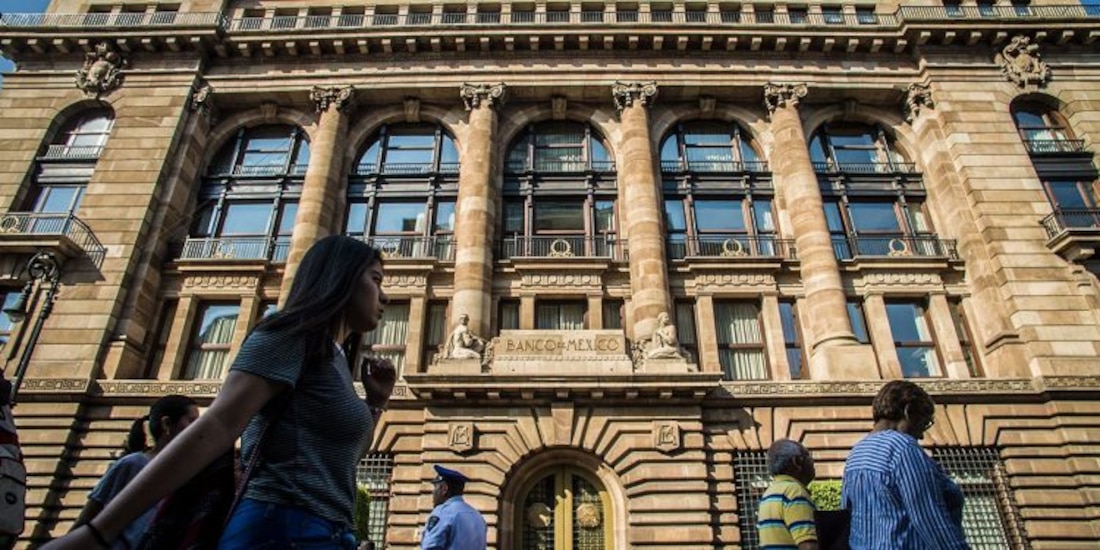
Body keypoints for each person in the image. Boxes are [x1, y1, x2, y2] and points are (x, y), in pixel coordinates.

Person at [44, 235, 398, 550]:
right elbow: (218, 426)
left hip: (329, 531)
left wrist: (376, 403)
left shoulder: (334, 358)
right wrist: (100, 532)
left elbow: (340, 458)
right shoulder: (289, 335)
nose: (384, 295)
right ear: (340, 278)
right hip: (280, 527)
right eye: (376, 279)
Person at [841, 380, 969, 550]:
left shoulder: (856, 454)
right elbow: (929, 518)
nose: (922, 435)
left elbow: (847, 518)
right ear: (908, 411)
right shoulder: (903, 447)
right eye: (924, 423)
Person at [72, 395, 199, 549]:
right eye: (191, 421)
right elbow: (88, 518)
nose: (198, 428)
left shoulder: (188, 473)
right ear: (167, 424)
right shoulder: (132, 464)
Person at [758, 439, 819, 550]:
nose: (812, 461)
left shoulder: (769, 493)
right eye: (808, 455)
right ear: (797, 462)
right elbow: (808, 546)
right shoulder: (794, 492)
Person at [421, 465, 487, 550]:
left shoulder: (443, 512)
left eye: (435, 487)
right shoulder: (478, 517)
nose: (433, 492)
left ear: (444, 488)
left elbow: (430, 547)